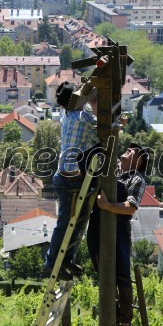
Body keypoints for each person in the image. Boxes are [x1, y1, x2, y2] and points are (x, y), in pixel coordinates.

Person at [43, 81, 100, 281]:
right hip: (72, 177)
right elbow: (101, 135)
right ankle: (53, 264)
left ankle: (66, 260)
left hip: (64, 174)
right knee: (69, 222)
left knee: (76, 222)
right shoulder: (83, 118)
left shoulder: (66, 115)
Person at [87, 143, 148, 326]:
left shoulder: (137, 178)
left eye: (133, 152)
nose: (128, 150)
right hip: (96, 226)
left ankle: (124, 321)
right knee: (103, 273)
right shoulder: (111, 170)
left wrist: (107, 206)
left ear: (139, 162)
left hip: (118, 232)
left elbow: (131, 207)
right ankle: (110, 316)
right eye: (128, 149)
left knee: (121, 276)